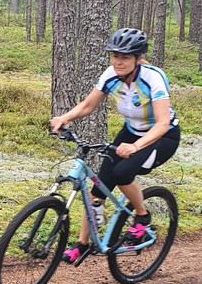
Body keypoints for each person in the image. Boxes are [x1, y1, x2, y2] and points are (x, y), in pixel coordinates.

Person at [49, 27, 180, 265]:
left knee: (122, 173)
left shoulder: (153, 78)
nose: (118, 62)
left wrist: (136, 146)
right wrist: (64, 118)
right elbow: (88, 105)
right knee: (97, 191)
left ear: (138, 58)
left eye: (125, 57)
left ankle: (142, 217)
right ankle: (82, 244)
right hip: (131, 132)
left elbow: (162, 123)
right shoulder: (110, 75)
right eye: (115, 56)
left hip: (162, 137)